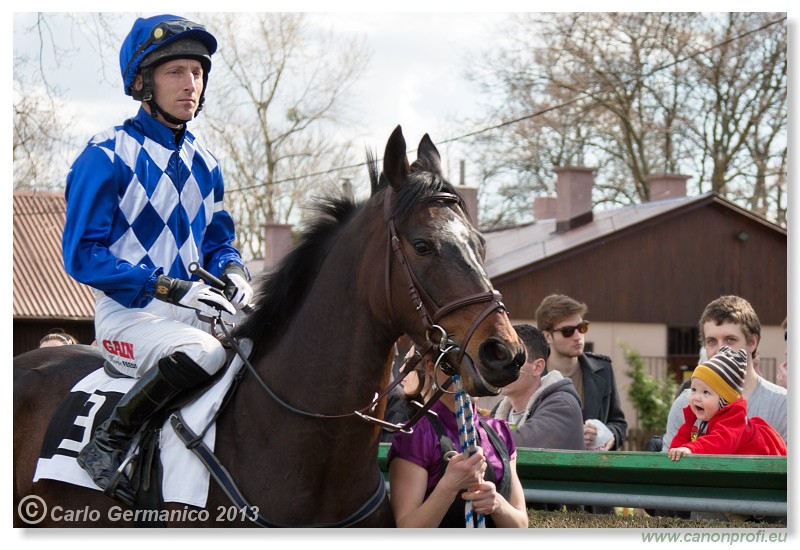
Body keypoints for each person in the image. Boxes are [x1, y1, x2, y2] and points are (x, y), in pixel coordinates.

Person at [61, 14, 253, 506]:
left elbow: (219, 240)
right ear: (142, 81)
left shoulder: (207, 162)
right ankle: (108, 445)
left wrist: (234, 270)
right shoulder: (105, 155)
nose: (191, 83)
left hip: (197, 318)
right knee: (205, 354)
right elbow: (82, 256)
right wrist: (167, 287)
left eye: (198, 72)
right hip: (128, 319)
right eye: (176, 72)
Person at [387, 347, 528, 528]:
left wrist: (498, 505)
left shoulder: (498, 432)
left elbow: (522, 525)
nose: (471, 375)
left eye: (479, 364)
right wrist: (449, 487)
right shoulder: (417, 437)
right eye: (457, 365)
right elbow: (405, 531)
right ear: (432, 367)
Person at [662, 296, 787, 450]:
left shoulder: (783, 404)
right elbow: (669, 468)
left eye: (730, 339)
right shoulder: (686, 402)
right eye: (711, 341)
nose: (721, 349)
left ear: (752, 343)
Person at [534, 294, 627, 451]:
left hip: (592, 469)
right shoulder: (533, 375)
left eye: (582, 328)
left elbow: (618, 423)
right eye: (568, 331)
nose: (578, 337)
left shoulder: (602, 369)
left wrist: (608, 435)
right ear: (547, 336)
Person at [668, 346, 786, 460]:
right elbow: (682, 437)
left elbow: (718, 443)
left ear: (724, 399)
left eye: (706, 392)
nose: (697, 397)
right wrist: (676, 452)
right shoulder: (694, 417)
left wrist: (690, 449)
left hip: (758, 461)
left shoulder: (733, 419)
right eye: (694, 390)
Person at [491, 324, 584, 450]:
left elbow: (523, 444)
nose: (500, 367)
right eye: (498, 359)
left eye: (511, 359)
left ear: (538, 367)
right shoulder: (500, 410)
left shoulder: (562, 405)